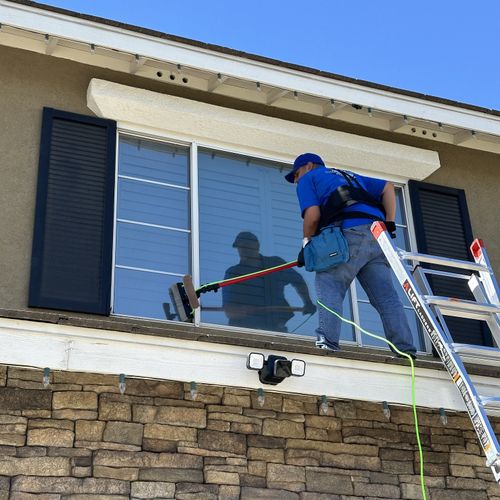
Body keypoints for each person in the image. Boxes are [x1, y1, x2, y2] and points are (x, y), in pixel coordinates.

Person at [285, 152, 417, 358]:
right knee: (387, 298)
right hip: (377, 239)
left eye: (296, 173)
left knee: (330, 286)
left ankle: (327, 344)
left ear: (309, 166)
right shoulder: (350, 176)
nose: (295, 179)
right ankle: (405, 350)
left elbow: (313, 216)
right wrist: (390, 223)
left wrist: (307, 245)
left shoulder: (309, 179)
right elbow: (387, 187)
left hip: (347, 235)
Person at [222, 231, 316, 332]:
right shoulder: (233, 273)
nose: (244, 249)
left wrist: (308, 302)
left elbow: (298, 281)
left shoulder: (275, 264)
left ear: (257, 245)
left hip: (275, 330)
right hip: (245, 332)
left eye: (247, 244)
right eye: (241, 246)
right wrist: (243, 311)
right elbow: (229, 310)